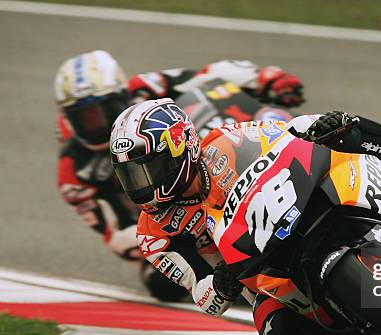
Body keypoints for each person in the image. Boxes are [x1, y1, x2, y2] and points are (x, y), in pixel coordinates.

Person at [109, 99, 381, 335]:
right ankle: (378, 323)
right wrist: (221, 283)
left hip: (301, 203)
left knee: (352, 130)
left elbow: (286, 131)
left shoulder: (225, 142)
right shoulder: (154, 233)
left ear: (182, 148)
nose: (142, 184)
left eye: (149, 168)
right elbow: (205, 298)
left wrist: (320, 126)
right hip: (258, 274)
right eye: (131, 175)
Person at [54, 50, 304, 301]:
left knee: (238, 106)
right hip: (158, 218)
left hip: (195, 165)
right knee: (161, 286)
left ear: (122, 95)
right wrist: (166, 235)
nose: (95, 123)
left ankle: (299, 152)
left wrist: (267, 79)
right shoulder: (74, 171)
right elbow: (116, 232)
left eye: (103, 110)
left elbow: (208, 75)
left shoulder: (144, 89)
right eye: (83, 117)